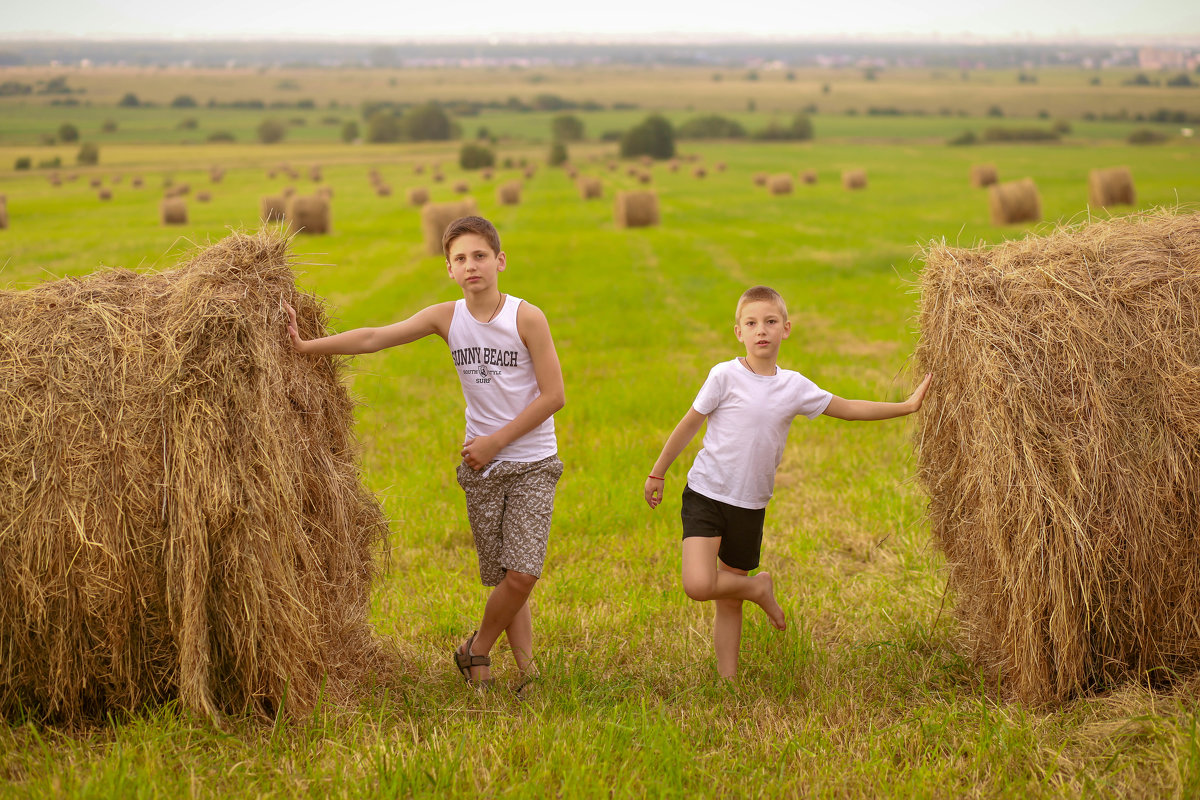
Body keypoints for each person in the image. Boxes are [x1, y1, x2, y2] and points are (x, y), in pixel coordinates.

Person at [284, 215, 565, 692]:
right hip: (481, 467)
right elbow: (375, 337)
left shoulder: (526, 317)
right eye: (460, 259)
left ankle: (476, 648)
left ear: (500, 261)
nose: (471, 265)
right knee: (505, 575)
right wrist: (305, 346)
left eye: (480, 255)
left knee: (522, 573)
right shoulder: (446, 317)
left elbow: (553, 395)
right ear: (449, 271)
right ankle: (527, 674)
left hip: (531, 460)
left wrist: (497, 441)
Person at [643, 285, 931, 679]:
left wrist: (906, 406)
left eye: (770, 322)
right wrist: (658, 471)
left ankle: (728, 681)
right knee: (698, 583)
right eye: (752, 323)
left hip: (750, 503)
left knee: (728, 599)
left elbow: (847, 408)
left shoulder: (793, 386)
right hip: (706, 493)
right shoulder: (723, 375)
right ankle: (759, 589)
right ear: (738, 332)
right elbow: (689, 424)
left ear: (786, 329)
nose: (761, 330)